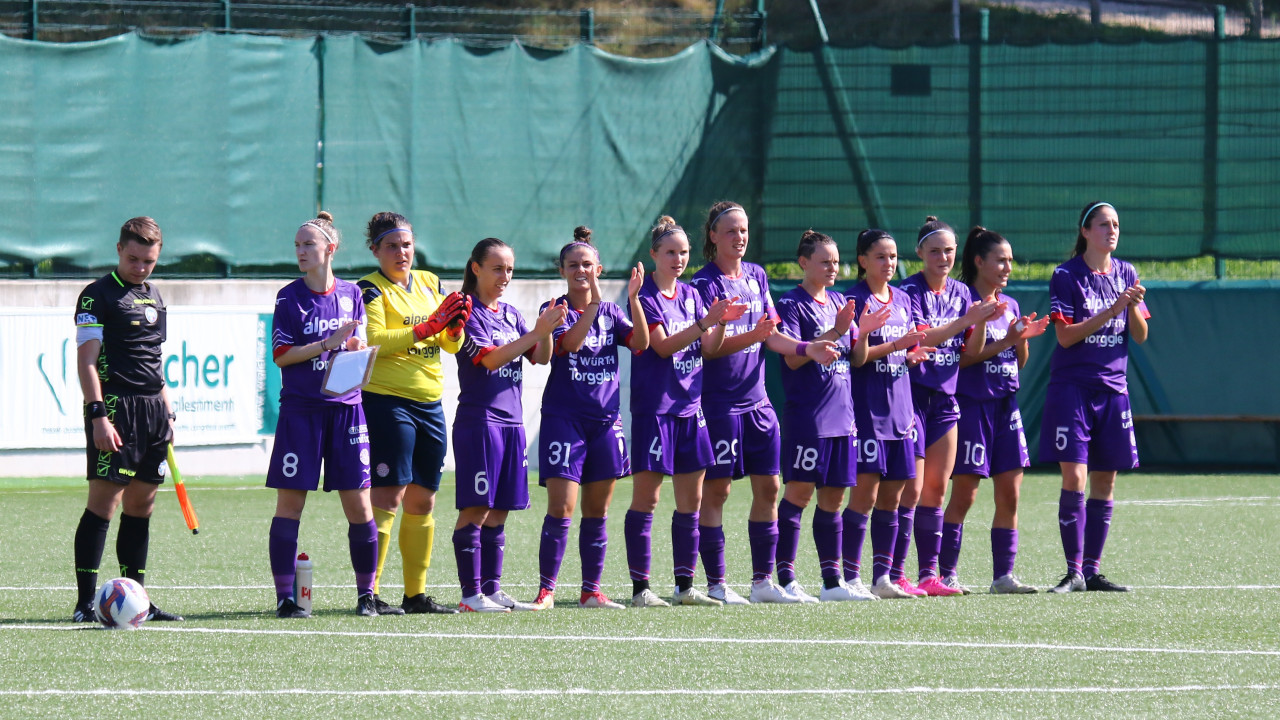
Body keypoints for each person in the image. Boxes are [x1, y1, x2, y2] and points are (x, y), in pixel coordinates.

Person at [691, 202, 840, 605]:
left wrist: (809, 347)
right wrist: (746, 333)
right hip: (720, 403)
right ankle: (717, 584)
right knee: (718, 491)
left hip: (758, 402)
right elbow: (709, 349)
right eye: (730, 231)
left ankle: (762, 584)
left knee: (771, 486)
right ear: (713, 236)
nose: (739, 237)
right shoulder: (703, 283)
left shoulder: (757, 275)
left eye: (744, 230)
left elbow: (771, 334)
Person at [625, 216, 746, 608]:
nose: (678, 259)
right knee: (647, 500)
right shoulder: (645, 297)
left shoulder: (692, 294)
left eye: (684, 253)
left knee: (690, 503)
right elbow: (660, 347)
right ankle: (641, 589)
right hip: (655, 410)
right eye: (671, 252)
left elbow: (709, 349)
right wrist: (705, 322)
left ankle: (683, 586)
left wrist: (721, 323)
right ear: (654, 255)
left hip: (691, 410)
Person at [266, 211, 379, 618]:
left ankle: (367, 596)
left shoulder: (351, 293)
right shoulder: (288, 297)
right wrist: (325, 344)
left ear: (329, 249)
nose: (300, 251)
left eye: (308, 245)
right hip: (302, 413)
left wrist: (354, 352)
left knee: (360, 507)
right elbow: (282, 356)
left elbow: (359, 344)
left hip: (347, 411)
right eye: (297, 245)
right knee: (290, 505)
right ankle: (285, 599)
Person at [358, 212, 470, 615]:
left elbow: (450, 345)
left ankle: (415, 595)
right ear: (375, 250)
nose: (401, 252)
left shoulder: (430, 282)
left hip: (430, 403)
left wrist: (454, 328)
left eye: (406, 245)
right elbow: (372, 341)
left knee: (423, 500)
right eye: (391, 246)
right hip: (387, 401)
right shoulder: (368, 290)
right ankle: (367, 593)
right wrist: (427, 328)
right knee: (389, 496)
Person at [531, 227, 650, 611]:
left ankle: (590, 591)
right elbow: (570, 344)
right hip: (565, 420)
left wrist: (633, 300)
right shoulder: (554, 308)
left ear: (598, 267)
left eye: (587, 264)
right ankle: (546, 591)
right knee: (562, 508)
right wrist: (596, 306)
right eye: (573, 265)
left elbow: (642, 344)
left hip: (605, 422)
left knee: (596, 511)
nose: (581, 271)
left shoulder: (614, 312)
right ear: (562, 271)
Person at [71, 216, 183, 623]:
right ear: (119, 250)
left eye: (148, 261)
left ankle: (138, 600)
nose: (140, 268)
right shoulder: (96, 295)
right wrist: (98, 416)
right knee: (104, 504)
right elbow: (86, 362)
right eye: (134, 258)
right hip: (116, 408)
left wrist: (167, 410)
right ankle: (85, 603)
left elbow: (156, 361)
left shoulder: (155, 296)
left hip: (153, 410)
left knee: (142, 506)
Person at [452, 238, 566, 612]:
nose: (505, 276)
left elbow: (541, 357)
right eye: (498, 268)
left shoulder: (511, 314)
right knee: (476, 508)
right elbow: (488, 360)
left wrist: (546, 329)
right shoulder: (465, 311)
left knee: (500, 509)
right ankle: (471, 595)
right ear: (477, 269)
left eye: (510, 269)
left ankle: (491, 587)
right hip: (479, 421)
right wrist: (535, 332)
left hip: (512, 422)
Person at [774, 230, 888, 603]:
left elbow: (856, 359)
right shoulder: (791, 304)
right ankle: (787, 579)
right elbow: (792, 357)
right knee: (800, 493)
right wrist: (839, 329)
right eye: (824, 261)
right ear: (804, 262)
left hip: (844, 417)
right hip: (809, 416)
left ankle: (831, 581)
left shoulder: (840, 299)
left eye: (836, 262)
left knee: (834, 499)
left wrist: (862, 335)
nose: (832, 268)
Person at [1041, 202, 1149, 593]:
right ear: (1085, 231)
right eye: (1103, 224)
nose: (1112, 230)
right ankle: (1073, 572)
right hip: (1074, 388)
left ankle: (1092, 569)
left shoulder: (1127, 273)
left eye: (1116, 224)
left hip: (1114, 390)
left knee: (1106, 480)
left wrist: (1132, 308)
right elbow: (1066, 336)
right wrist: (1113, 308)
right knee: (1075, 476)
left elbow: (1139, 335)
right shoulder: (1066, 275)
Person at [934, 227, 1049, 594]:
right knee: (965, 494)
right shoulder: (963, 301)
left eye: (1010, 261)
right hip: (973, 405)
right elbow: (965, 360)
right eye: (1000, 260)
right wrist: (1006, 338)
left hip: (1006, 406)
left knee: (1011, 494)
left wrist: (1021, 340)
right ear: (979, 261)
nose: (1007, 267)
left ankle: (1003, 576)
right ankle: (946, 572)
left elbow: (1019, 360)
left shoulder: (1010, 304)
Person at [893, 217, 1002, 597]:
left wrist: (983, 319)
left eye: (949, 251)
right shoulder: (907, 291)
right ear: (920, 253)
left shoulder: (961, 292)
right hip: (910, 398)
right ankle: (894, 573)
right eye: (935, 250)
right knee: (911, 489)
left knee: (937, 490)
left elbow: (971, 352)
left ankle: (928, 575)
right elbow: (919, 339)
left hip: (945, 400)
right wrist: (968, 319)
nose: (942, 257)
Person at [844, 229, 928, 600]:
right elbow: (856, 357)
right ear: (863, 260)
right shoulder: (852, 299)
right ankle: (849, 577)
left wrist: (909, 355)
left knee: (894, 497)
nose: (888, 263)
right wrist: (896, 345)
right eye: (880, 256)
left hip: (901, 412)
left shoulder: (904, 299)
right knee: (864, 496)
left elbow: (904, 349)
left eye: (893, 257)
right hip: (867, 412)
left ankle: (883, 578)